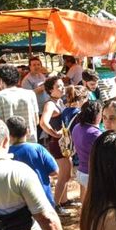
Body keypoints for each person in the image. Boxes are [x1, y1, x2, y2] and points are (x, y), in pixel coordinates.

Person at [7, 115, 58, 209]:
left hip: (19, 205)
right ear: (28, 131)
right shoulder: (38, 148)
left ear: (8, 135)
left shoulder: (6, 154)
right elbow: (55, 172)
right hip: (43, 199)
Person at [39, 76, 73, 216]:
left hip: (64, 143)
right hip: (57, 144)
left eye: (62, 85)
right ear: (50, 90)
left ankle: (64, 201)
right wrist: (55, 134)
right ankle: (56, 205)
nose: (62, 88)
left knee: (67, 174)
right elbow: (42, 123)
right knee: (63, 175)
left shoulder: (59, 101)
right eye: (58, 86)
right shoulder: (50, 104)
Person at [0, 65, 39, 142]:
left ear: (1, 80)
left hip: (10, 143)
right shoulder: (30, 94)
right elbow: (36, 120)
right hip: (31, 140)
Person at [72, 100, 103, 202]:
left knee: (84, 203)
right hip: (92, 175)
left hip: (81, 172)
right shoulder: (96, 134)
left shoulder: (77, 127)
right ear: (96, 115)